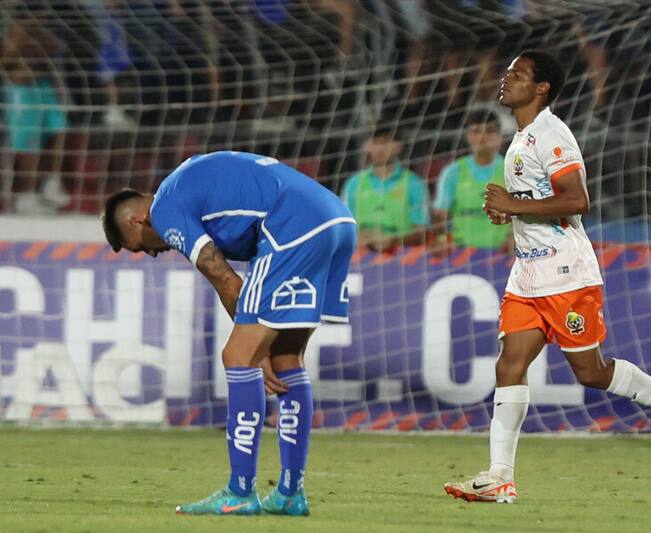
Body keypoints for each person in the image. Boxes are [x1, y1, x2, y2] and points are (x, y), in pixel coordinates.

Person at [443, 50, 651, 504]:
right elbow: (539, 201)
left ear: (542, 88)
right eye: (509, 72)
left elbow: (577, 200)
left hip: (567, 274)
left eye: (518, 74)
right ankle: (499, 476)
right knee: (510, 364)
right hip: (527, 272)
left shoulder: (552, 136)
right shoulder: (523, 137)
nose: (506, 79)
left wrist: (515, 205)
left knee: (591, 372)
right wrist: (510, 210)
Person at [101, 151, 357, 516]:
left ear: (138, 219)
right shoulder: (186, 181)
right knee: (286, 360)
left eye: (142, 247)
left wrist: (255, 351)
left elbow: (221, 274)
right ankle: (289, 492)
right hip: (336, 220)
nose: (153, 253)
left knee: (237, 357)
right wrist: (263, 349)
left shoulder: (164, 208)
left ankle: (239, 491)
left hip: (292, 227)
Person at [1, 4, 70, 213]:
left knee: (60, 130)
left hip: (43, 85)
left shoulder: (39, 28)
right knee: (27, 144)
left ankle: (51, 182)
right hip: (21, 90)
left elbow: (55, 47)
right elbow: (8, 60)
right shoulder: (14, 29)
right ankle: (26, 194)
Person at [432, 109, 513, 253]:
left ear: (500, 137)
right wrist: (443, 239)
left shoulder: (512, 172)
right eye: (476, 131)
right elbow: (440, 215)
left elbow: (523, 213)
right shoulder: (452, 172)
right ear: (468, 136)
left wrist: (512, 238)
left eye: (489, 131)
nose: (483, 136)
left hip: (502, 254)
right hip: (460, 254)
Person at [340, 125, 429, 252]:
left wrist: (394, 240)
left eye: (386, 143)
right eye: (375, 143)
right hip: (360, 257)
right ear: (367, 146)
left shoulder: (414, 183)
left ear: (399, 146)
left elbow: (423, 233)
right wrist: (358, 237)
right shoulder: (353, 184)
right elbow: (342, 229)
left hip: (403, 258)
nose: (380, 149)